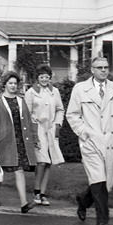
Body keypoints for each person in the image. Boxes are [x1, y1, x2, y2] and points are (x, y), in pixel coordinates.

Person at [66, 56, 113, 225]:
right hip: (91, 141)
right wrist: (84, 133)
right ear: (92, 70)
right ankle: (103, 220)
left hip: (111, 142)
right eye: (99, 67)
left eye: (106, 67)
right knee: (98, 179)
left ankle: (83, 201)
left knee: (105, 182)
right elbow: (72, 115)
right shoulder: (80, 89)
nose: (103, 70)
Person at [0, 71, 38, 213]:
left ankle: (24, 203)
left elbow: (29, 120)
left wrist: (34, 138)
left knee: (19, 170)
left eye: (15, 83)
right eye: (10, 83)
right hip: (2, 142)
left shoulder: (21, 101)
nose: (13, 86)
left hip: (19, 141)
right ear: (5, 84)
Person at [24, 64, 65, 205]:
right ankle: (36, 192)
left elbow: (60, 109)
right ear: (37, 78)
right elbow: (26, 113)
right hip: (38, 128)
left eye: (47, 77)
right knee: (41, 161)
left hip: (51, 129)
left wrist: (58, 123)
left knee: (49, 162)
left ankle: (43, 193)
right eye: (41, 77)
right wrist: (32, 126)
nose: (44, 79)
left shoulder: (55, 92)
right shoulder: (31, 92)